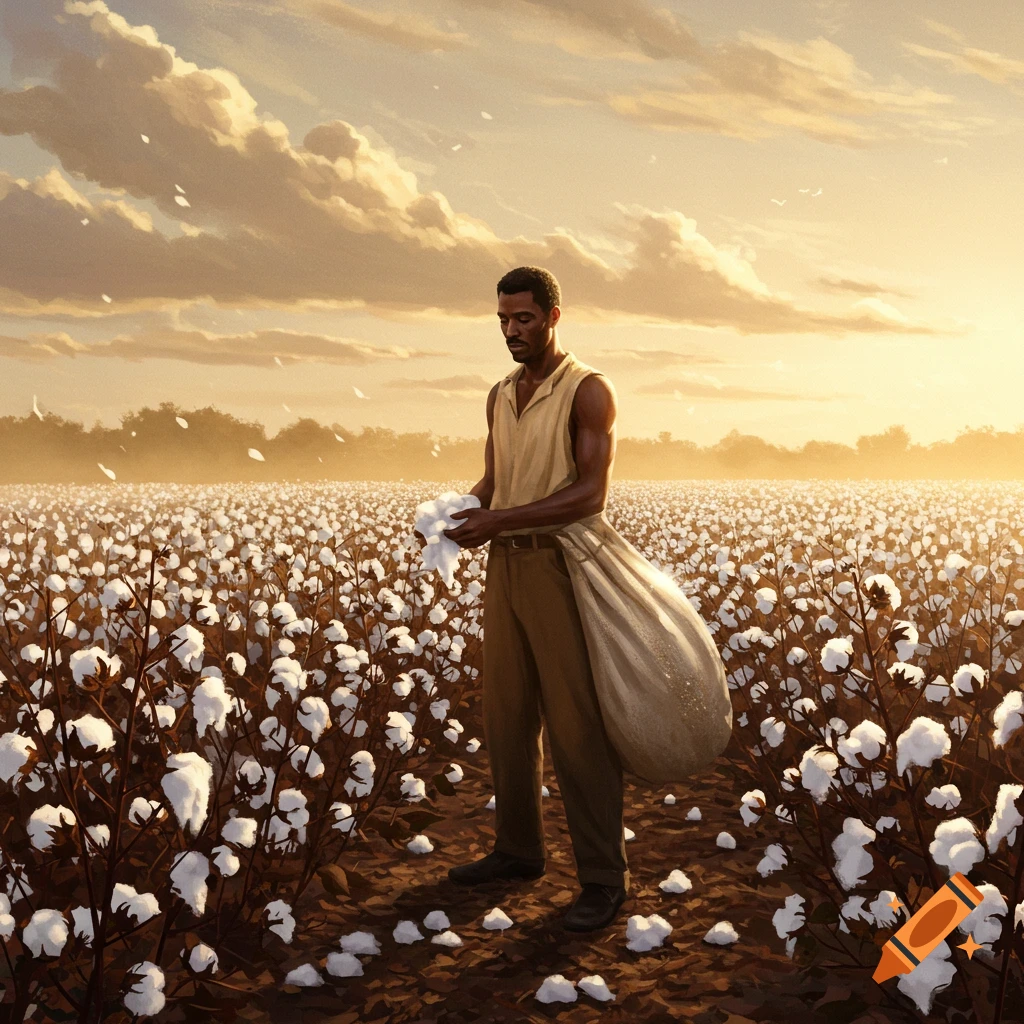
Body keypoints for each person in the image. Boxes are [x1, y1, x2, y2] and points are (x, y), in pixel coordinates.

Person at [442, 266, 630, 933]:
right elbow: (497, 479)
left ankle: (604, 879)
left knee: (578, 726)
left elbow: (589, 495)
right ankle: (519, 851)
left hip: (562, 567)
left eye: (523, 319)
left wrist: (498, 521)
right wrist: (461, 515)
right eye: (502, 320)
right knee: (507, 714)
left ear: (554, 316)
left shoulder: (588, 391)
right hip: (505, 568)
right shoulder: (499, 394)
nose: (512, 331)